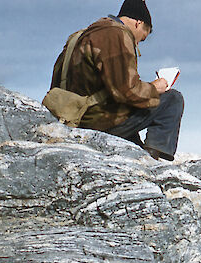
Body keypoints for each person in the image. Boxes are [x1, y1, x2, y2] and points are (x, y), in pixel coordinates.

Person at [50, 0, 183, 161]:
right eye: (141, 38)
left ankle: (137, 150)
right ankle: (150, 160)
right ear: (138, 23)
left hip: (72, 116)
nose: (137, 43)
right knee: (172, 99)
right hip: (97, 122)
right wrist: (156, 87)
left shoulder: (81, 36)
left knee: (129, 124)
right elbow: (126, 92)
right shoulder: (116, 35)